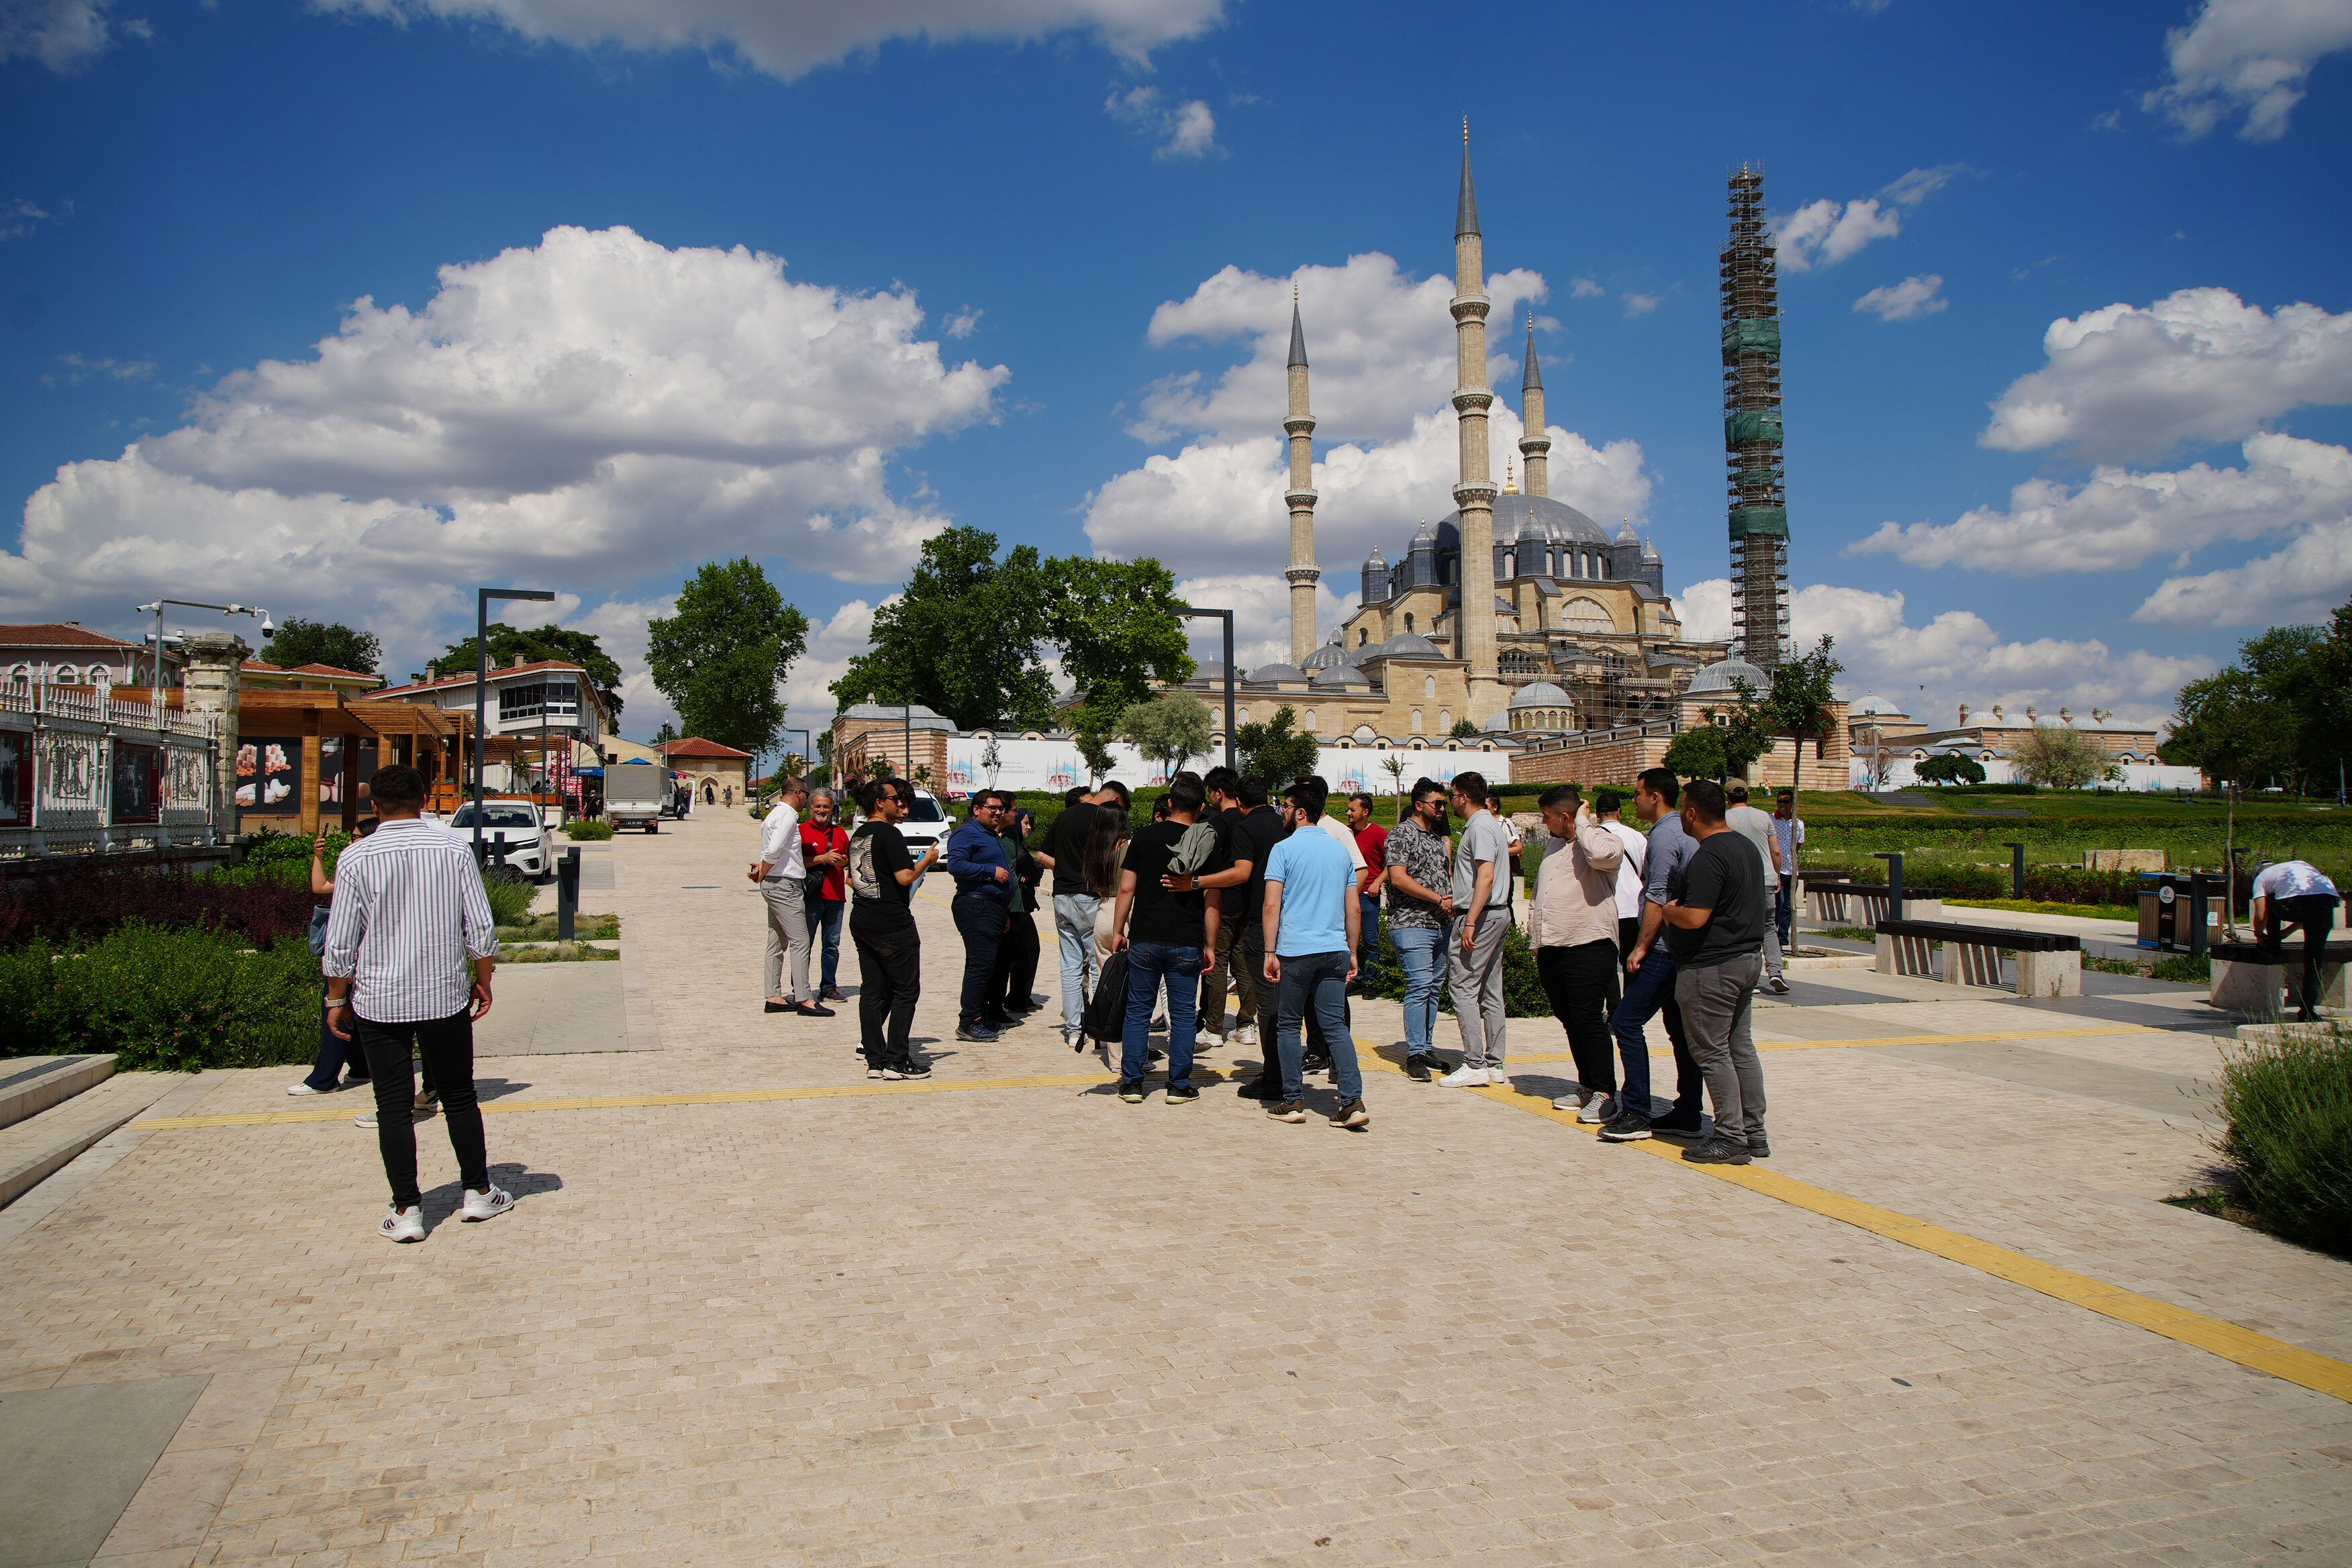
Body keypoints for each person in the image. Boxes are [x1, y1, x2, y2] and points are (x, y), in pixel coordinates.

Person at [322, 764, 511, 1242]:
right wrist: (483, 979)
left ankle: (407, 1209)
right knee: (460, 1094)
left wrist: (335, 998)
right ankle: (477, 1192)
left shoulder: (355, 858)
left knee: (392, 1106)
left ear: (374, 807)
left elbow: (341, 941)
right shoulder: (453, 848)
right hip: (444, 993)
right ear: (426, 800)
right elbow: (481, 926)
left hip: (380, 999)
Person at [1659, 779, 1770, 1165]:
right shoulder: (1745, 847)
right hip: (1746, 959)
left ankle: (1730, 1136)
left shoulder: (1710, 855)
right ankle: (1754, 1131)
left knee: (1712, 1051)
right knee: (1740, 1047)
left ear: (1691, 813)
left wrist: (1668, 910)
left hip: (1712, 967)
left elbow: (1694, 916)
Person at [1599, 768, 1702, 1145]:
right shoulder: (1684, 832)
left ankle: (1638, 1110)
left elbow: (1658, 894)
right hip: (1682, 948)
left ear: (1655, 797)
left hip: (1662, 948)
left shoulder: (1663, 835)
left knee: (1626, 1022)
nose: (1635, 800)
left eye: (1639, 793)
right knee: (1680, 1031)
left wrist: (1641, 947)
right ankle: (1689, 1111)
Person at [1261, 775, 1369, 1128]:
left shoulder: (1284, 850)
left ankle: (1293, 1100)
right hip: (1335, 948)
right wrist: (1352, 951)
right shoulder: (1340, 850)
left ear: (1302, 812)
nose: (1283, 812)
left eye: (1287, 807)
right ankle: (1352, 1101)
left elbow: (1271, 906)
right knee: (1335, 1026)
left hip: (1296, 950)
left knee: (1289, 1025)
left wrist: (1269, 951)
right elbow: (1353, 909)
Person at [1108, 770, 1220, 1104]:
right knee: (1184, 1014)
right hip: (1186, 938)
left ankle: (1131, 1084)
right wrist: (1211, 945)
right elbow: (1213, 898)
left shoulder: (1143, 837)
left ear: (1170, 803)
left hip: (1144, 935)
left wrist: (1118, 930)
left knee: (1139, 1010)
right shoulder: (1206, 841)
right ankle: (1178, 1085)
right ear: (1201, 807)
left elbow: (1126, 888)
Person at [1527, 785, 1626, 1122]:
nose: (1544, 822)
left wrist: (1583, 821)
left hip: (1589, 945)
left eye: (1548, 816)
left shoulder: (1603, 840)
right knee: (1570, 1020)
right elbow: (1540, 894)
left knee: (1589, 1019)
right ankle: (1587, 1086)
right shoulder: (1554, 847)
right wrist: (1536, 939)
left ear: (1565, 816)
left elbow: (1600, 857)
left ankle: (1605, 1092)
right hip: (1554, 947)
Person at [847, 775, 942, 1078]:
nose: (900, 804)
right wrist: (927, 859)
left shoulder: (859, 835)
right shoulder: (889, 835)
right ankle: (898, 1059)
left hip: (862, 917)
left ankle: (875, 1059)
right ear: (880, 803)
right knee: (905, 991)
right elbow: (904, 877)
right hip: (892, 922)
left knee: (872, 990)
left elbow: (853, 878)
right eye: (894, 800)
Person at [1037, 780, 1128, 1048]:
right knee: (1102, 963)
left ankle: (1074, 1030)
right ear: (1116, 800)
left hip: (1062, 896)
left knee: (1070, 965)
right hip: (1091, 897)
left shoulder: (1065, 815)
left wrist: (1065, 868)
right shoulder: (1106, 819)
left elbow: (1043, 853)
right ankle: (1100, 1026)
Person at [289, 820, 377, 1096]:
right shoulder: (357, 868)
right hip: (352, 958)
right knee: (352, 1014)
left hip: (355, 958)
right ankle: (362, 1068)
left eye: (355, 837)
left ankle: (323, 1078)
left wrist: (350, 963)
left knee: (335, 1012)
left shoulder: (369, 872)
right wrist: (318, 856)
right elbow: (321, 886)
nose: (350, 842)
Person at [1440, 771, 1514, 1087]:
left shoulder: (1481, 826)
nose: (1451, 803)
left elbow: (1485, 876)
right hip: (1493, 912)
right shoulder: (1489, 824)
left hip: (1483, 916)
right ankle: (1494, 1063)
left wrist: (1470, 919)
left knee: (1463, 987)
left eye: (1452, 796)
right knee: (1490, 988)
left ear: (1464, 797)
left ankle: (1475, 1062)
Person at [1383, 779, 1453, 1081]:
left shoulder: (1437, 838)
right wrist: (1438, 897)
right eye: (1437, 803)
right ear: (1419, 805)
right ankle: (1414, 1054)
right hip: (1412, 923)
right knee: (1420, 985)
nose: (1442, 809)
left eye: (1444, 804)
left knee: (1434, 987)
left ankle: (1425, 1047)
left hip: (1441, 924)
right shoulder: (1401, 835)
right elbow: (1398, 878)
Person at [750, 775, 830, 1018]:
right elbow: (773, 850)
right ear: (798, 793)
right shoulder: (787, 816)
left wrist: (763, 869)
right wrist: (763, 870)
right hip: (785, 885)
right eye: (806, 796)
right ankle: (805, 998)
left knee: (777, 941)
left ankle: (773, 995)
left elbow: (771, 850)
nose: (807, 801)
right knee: (800, 941)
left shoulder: (773, 814)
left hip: (776, 882)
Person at [1190, 767, 1254, 1048]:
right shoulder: (1245, 819)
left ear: (1218, 793)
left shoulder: (1217, 824)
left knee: (1215, 962)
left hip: (1221, 900)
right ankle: (1246, 1024)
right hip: (1247, 901)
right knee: (1244, 965)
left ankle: (1213, 1028)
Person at [944, 792, 1016, 1042]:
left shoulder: (988, 834)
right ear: (976, 809)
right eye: (992, 808)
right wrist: (990, 872)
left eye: (1000, 809)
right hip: (976, 906)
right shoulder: (967, 833)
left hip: (992, 908)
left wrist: (1003, 911)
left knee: (987, 966)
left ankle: (983, 1016)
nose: (998, 812)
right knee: (980, 965)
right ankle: (969, 1022)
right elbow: (955, 865)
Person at [2251, 859, 2342, 1022]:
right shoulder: (2302, 864)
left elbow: (2261, 915)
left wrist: (2259, 935)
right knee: (2314, 961)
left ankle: (2273, 947)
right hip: (2327, 901)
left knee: (2269, 897)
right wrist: (2286, 932)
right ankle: (2308, 1011)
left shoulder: (2262, 877)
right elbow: (2309, 910)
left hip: (2296, 901)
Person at [1724, 783, 1790, 995]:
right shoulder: (1764, 817)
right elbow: (1776, 852)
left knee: (1741, 929)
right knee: (1769, 927)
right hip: (1766, 880)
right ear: (1749, 795)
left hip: (1740, 882)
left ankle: (1748, 980)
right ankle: (1776, 973)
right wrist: (1777, 876)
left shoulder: (1725, 819)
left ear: (1728, 797)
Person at [987, 797, 1044, 1018]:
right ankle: (1011, 1000)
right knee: (1021, 951)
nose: (1028, 826)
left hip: (1016, 904)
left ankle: (1014, 999)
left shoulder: (1011, 835)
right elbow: (1029, 865)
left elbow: (1034, 868)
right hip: (1007, 905)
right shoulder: (995, 836)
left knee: (1018, 952)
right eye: (1019, 815)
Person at [1594, 789, 1649, 1009]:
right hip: (1634, 906)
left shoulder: (1593, 837)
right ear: (1619, 812)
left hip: (1606, 906)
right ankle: (1631, 1009)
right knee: (1632, 961)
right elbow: (1646, 870)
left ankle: (1615, 1009)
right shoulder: (1636, 836)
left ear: (1597, 814)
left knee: (1606, 963)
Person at [799, 789, 851, 1003]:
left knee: (832, 945)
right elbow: (798, 862)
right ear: (811, 808)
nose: (822, 810)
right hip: (812, 896)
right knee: (805, 945)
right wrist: (823, 858)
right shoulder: (800, 831)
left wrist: (843, 861)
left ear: (832, 809)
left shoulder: (839, 833)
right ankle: (801, 988)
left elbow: (848, 859)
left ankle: (828, 987)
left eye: (826, 806)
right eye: (818, 806)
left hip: (836, 897)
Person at [1346, 791, 1389, 989]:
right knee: (1349, 939)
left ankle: (1372, 981)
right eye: (1348, 809)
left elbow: (1393, 864)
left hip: (1369, 896)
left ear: (1366, 812)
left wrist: (1378, 882)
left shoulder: (1380, 834)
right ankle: (1354, 978)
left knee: (1371, 939)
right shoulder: (1346, 834)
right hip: (1348, 895)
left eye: (1352, 809)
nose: (1348, 813)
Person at [1772, 791, 1805, 952]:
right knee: (1777, 904)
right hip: (1775, 870)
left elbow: (1797, 846)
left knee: (1788, 906)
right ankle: (1773, 936)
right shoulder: (1771, 820)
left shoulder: (1798, 824)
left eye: (1786, 802)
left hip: (1791, 871)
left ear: (1792, 804)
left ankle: (1783, 937)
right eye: (1780, 802)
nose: (1782, 805)